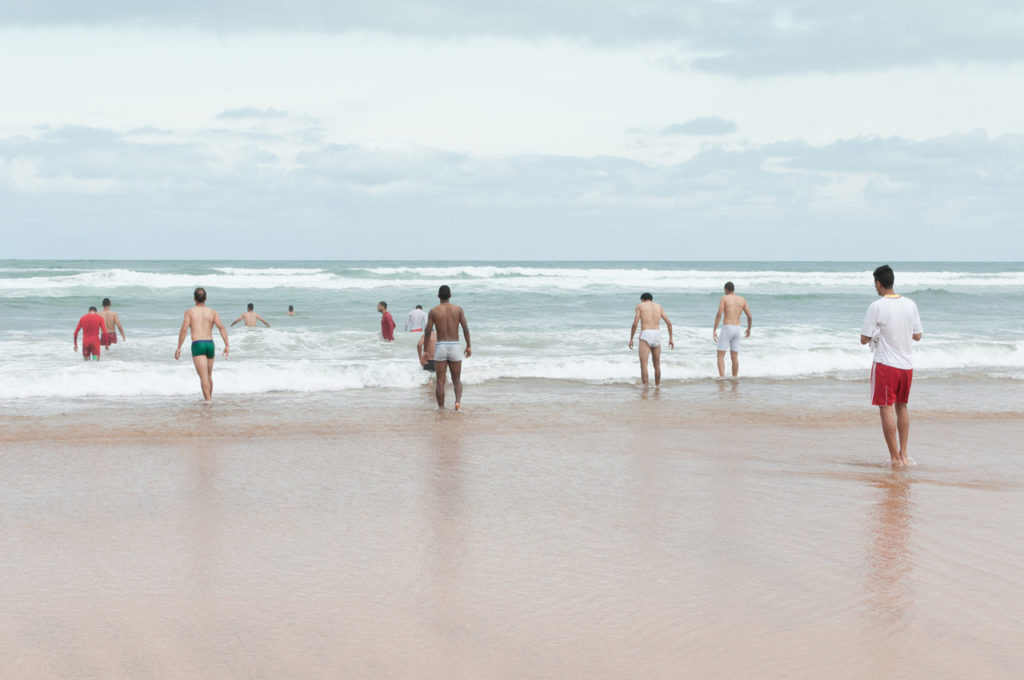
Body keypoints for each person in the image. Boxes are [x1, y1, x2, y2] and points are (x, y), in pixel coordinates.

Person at [860, 265, 923, 467]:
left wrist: (879, 332)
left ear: (878, 283)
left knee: (885, 408)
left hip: (886, 365)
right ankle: (904, 454)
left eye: (875, 284)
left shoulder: (876, 306)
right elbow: (917, 335)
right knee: (902, 407)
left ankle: (895, 458)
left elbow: (864, 339)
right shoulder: (910, 304)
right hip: (906, 365)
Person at [175, 287, 230, 401]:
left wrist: (179, 347)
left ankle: (208, 402)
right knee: (209, 376)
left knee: (203, 377)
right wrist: (227, 345)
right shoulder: (213, 312)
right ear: (205, 298)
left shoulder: (189, 312)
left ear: (194, 298)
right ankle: (209, 400)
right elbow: (221, 328)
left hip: (198, 344)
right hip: (210, 344)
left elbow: (184, 329)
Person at [423, 285, 471, 410]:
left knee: (440, 381)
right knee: (456, 380)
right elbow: (465, 329)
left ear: (438, 296)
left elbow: (428, 332)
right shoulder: (458, 309)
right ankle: (458, 403)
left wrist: (425, 351)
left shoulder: (434, 311)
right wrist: (469, 346)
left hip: (441, 346)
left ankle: (441, 408)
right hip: (455, 345)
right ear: (450, 296)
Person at [628, 292, 674, 386]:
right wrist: (671, 339)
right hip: (657, 334)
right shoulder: (659, 307)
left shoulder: (640, 306)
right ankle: (657, 386)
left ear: (642, 299)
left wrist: (631, 339)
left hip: (646, 334)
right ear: (651, 299)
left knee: (644, 364)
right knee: (657, 364)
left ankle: (645, 387)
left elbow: (635, 323)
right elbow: (669, 323)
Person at [713, 281, 752, 377]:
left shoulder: (724, 298)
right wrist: (749, 328)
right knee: (734, 356)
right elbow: (749, 316)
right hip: (738, 329)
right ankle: (735, 378)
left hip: (728, 327)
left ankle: (722, 378)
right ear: (733, 289)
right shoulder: (742, 299)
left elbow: (719, 313)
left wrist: (714, 329)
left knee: (720, 355)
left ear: (726, 289)